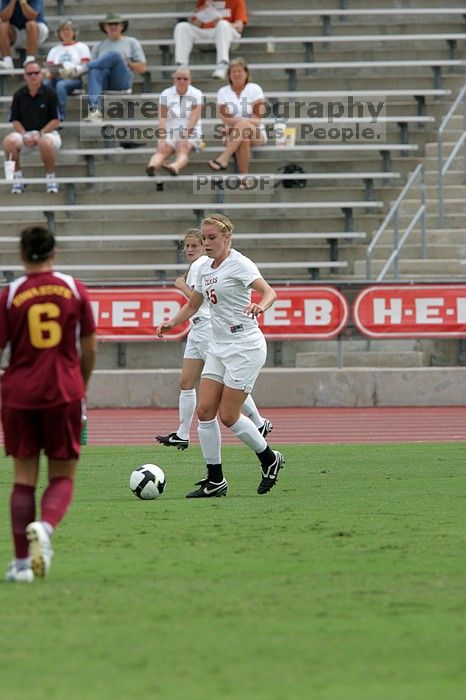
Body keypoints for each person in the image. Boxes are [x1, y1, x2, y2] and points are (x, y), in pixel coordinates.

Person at [156, 214, 284, 498]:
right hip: (219, 345)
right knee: (204, 412)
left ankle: (269, 458)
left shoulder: (239, 263)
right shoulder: (204, 269)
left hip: (244, 346)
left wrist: (260, 306)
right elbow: (193, 305)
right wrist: (171, 323)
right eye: (205, 239)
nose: (207, 243)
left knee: (228, 416)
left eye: (212, 238)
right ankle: (215, 480)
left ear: (227, 239)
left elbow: (269, 292)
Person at [0, 226, 97, 582]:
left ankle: (22, 564)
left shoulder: (10, 295)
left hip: (19, 396)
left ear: (22, 254)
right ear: (54, 253)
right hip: (63, 392)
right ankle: (45, 525)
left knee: (23, 478)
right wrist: (79, 387)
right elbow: (89, 348)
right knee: (63, 476)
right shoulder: (74, 290)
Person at [3, 59, 61, 194]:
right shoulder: (18, 95)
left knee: (45, 142)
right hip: (26, 133)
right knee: (8, 142)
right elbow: (15, 120)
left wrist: (40, 133)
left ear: (41, 74)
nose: (33, 76)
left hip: (48, 133)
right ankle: (16, 178)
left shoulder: (50, 93)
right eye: (29, 74)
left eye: (36, 73)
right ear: (25, 76)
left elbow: (56, 121)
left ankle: (51, 178)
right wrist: (24, 134)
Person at [207, 58, 266, 188]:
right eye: (233, 71)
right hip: (233, 134)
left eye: (240, 71)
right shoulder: (223, 92)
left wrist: (235, 124)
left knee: (244, 126)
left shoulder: (255, 89)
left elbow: (257, 120)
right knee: (243, 138)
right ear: (229, 75)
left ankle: (223, 158)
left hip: (256, 133)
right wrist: (237, 123)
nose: (237, 74)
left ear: (246, 73)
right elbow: (225, 119)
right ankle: (244, 180)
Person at [76, 12, 147, 122]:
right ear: (105, 27)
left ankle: (82, 68)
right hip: (104, 80)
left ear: (122, 26)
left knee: (114, 55)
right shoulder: (98, 46)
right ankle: (95, 111)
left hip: (121, 81)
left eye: (116, 24)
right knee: (94, 70)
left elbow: (142, 68)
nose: (113, 27)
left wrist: (126, 62)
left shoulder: (132, 42)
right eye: (110, 24)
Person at [146, 67, 204, 177]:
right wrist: (162, 139)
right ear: (174, 80)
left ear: (190, 80)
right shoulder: (165, 94)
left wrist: (185, 136)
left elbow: (194, 118)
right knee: (162, 150)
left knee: (182, 149)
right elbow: (162, 118)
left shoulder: (197, 93)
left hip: (191, 130)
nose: (182, 81)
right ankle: (152, 166)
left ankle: (175, 166)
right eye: (179, 78)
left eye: (185, 79)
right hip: (171, 129)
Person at [174, 0, 248, 80]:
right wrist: (203, 12)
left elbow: (239, 27)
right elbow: (195, 25)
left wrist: (220, 21)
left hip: (227, 34)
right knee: (182, 26)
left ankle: (222, 65)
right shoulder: (203, 1)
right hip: (207, 33)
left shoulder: (237, 1)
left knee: (222, 24)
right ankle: (181, 68)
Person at [43, 19, 91, 119]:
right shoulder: (54, 50)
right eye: (63, 30)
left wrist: (71, 72)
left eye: (68, 29)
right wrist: (50, 73)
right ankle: (44, 114)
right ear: (59, 33)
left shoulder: (82, 47)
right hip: (56, 77)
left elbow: (85, 66)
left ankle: (59, 115)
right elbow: (48, 68)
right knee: (45, 85)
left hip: (74, 79)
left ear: (74, 32)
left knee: (61, 85)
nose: (66, 32)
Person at [0, 0, 48, 71]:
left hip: (37, 30)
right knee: (2, 26)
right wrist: (12, 2)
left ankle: (30, 60)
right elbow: (3, 17)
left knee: (30, 24)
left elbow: (32, 16)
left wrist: (22, 2)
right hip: (17, 31)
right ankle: (8, 61)